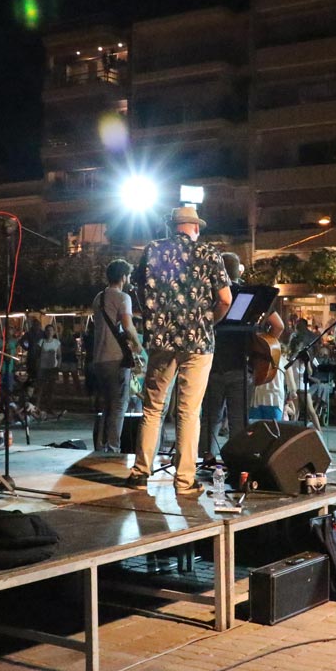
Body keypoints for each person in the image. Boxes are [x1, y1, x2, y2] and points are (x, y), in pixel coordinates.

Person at [125, 207, 231, 493]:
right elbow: (225, 299)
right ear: (195, 228)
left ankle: (140, 473)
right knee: (188, 411)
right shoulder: (209, 253)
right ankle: (184, 480)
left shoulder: (153, 250)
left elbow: (138, 290)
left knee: (153, 408)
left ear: (173, 226)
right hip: (199, 342)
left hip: (162, 339)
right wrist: (208, 322)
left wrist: (154, 317)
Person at [202, 252, 284, 461]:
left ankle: (207, 459)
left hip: (212, 365)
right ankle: (236, 462)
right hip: (241, 365)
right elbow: (278, 326)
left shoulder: (211, 294)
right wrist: (261, 348)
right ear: (238, 271)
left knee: (210, 419)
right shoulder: (251, 296)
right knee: (239, 421)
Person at [89, 259, 143, 453]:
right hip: (116, 358)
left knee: (106, 405)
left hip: (99, 358)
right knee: (119, 404)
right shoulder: (123, 298)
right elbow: (128, 326)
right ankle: (113, 447)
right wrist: (138, 346)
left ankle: (100, 446)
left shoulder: (98, 298)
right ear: (123, 277)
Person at [36, 324, 63, 418]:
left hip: (52, 368)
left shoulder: (56, 342)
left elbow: (59, 355)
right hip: (43, 367)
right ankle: (37, 407)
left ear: (54, 332)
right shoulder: (41, 342)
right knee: (40, 388)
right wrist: (37, 366)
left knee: (51, 389)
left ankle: (50, 408)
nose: (49, 332)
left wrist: (58, 366)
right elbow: (37, 355)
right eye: (47, 330)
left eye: (51, 330)